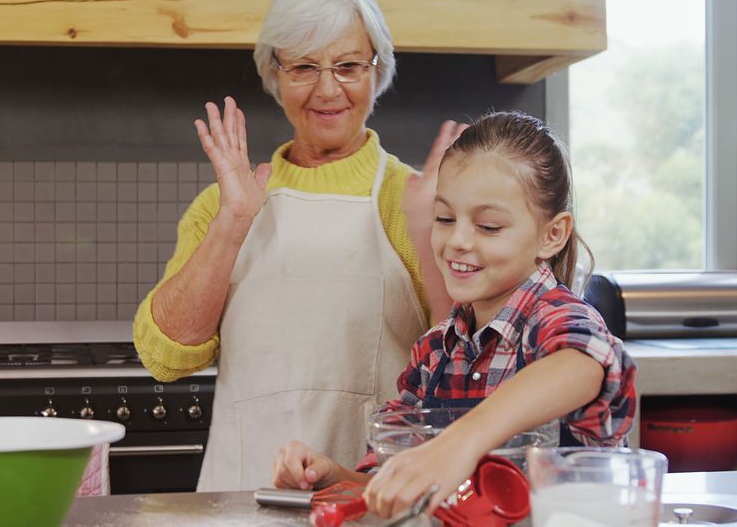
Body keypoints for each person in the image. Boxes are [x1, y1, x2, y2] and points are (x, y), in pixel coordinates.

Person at [132, 0, 464, 491]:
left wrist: (429, 229)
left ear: (377, 71)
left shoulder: (414, 200)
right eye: (304, 67)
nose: (328, 90)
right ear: (274, 74)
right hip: (238, 498)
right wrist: (233, 221)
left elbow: (460, 364)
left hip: (369, 499)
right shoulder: (225, 204)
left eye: (348, 65)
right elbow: (164, 355)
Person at [270, 111, 638, 518]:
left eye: (489, 226)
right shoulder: (434, 352)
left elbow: (583, 363)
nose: (457, 241)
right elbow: (409, 486)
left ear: (552, 235)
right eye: (444, 219)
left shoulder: (553, 318)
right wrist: (332, 478)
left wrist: (459, 443)